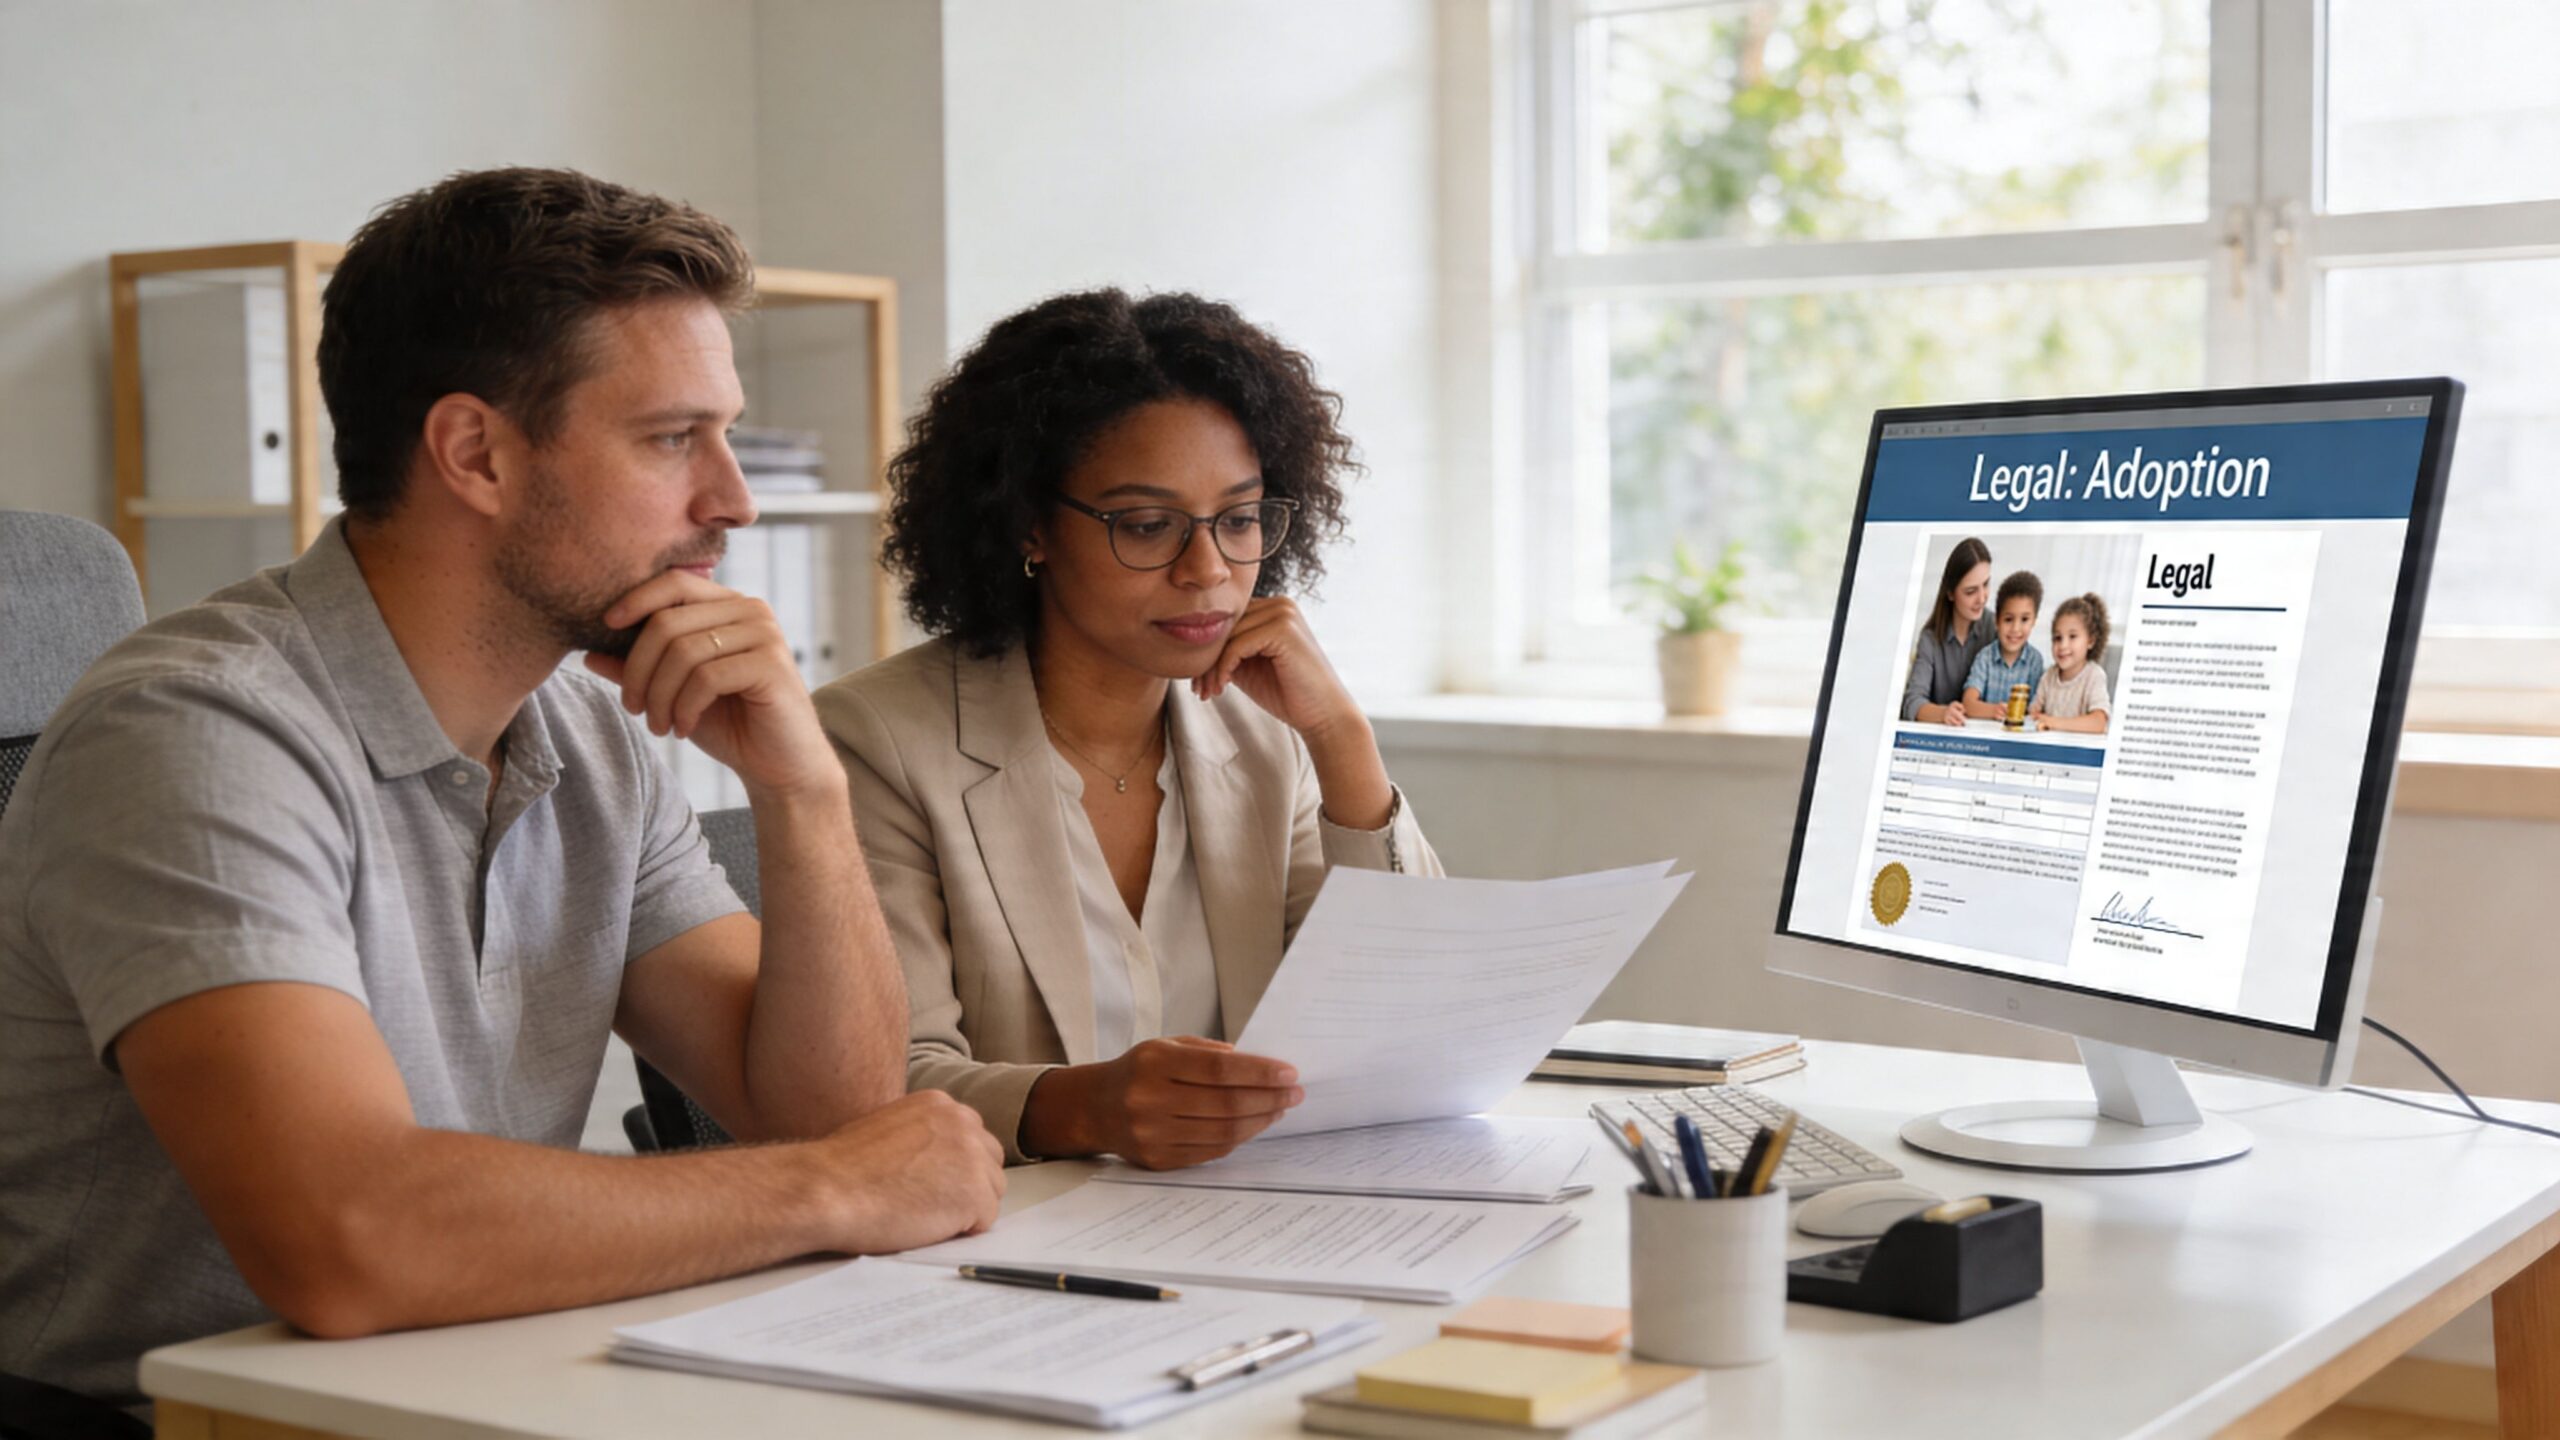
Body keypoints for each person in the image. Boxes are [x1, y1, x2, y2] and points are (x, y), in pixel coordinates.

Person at [0, 168, 1002, 1411]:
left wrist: (805, 796)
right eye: (672, 437)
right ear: (473, 452)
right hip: (194, 1422)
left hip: (489, 1385)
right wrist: (834, 1192)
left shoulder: (588, 732)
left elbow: (823, 1112)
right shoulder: (195, 735)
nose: (731, 501)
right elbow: (347, 1237)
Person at [814, 288, 1442, 1170]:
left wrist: (1343, 739)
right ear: (1030, 524)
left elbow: (1410, 1025)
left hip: (1255, 1224)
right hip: (1008, 1244)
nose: (1209, 572)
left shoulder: (1271, 738)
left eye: (1239, 519)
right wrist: (1084, 1109)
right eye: (1147, 526)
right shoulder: (875, 739)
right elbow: (873, 1085)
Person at [1901, 538, 1995, 727]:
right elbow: (1912, 702)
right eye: (1970, 591)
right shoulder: (1930, 638)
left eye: (1985, 585)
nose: (1982, 598)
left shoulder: (1994, 627)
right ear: (1951, 593)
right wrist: (1944, 712)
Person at [1960, 571, 2046, 721]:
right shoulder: (1985, 657)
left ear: (2034, 621)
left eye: (2024, 619)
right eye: (2008, 619)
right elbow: (1968, 703)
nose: (2015, 628)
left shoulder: (2035, 661)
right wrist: (1993, 710)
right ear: (1997, 621)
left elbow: (2035, 710)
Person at [2031, 593, 2114, 734]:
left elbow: (2098, 723)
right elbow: (2034, 713)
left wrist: (2053, 722)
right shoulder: (2049, 676)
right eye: (2057, 638)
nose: (2063, 645)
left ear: (2090, 641)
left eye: (2072, 636)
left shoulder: (2094, 676)